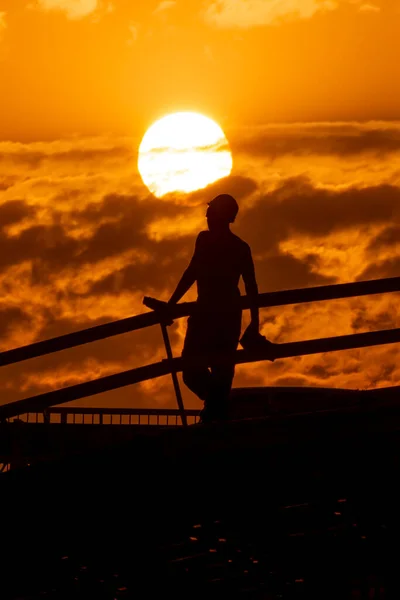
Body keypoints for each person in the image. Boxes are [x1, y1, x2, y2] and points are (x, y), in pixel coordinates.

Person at [167, 194, 260, 424]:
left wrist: (255, 324)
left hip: (222, 317)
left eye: (210, 212)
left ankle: (217, 412)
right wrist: (171, 305)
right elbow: (193, 271)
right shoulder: (206, 240)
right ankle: (220, 407)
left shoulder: (239, 248)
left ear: (221, 216)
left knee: (220, 371)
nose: (206, 216)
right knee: (192, 372)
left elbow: (251, 287)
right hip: (208, 314)